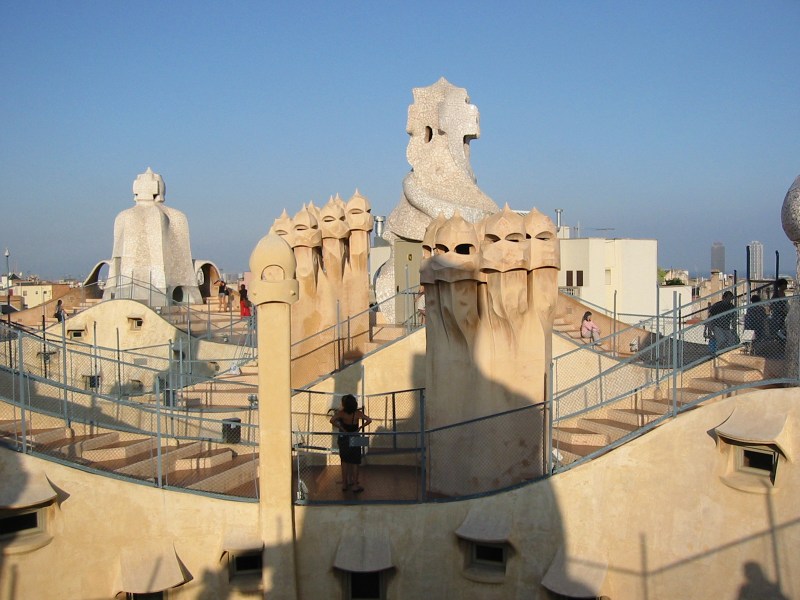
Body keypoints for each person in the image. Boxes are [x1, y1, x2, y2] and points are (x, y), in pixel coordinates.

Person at [329, 393, 372, 493]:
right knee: (355, 462)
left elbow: (332, 420)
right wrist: (360, 428)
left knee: (344, 460)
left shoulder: (341, 413)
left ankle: (344, 484)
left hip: (344, 438)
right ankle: (355, 485)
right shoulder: (357, 413)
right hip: (355, 436)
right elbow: (369, 420)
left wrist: (342, 428)